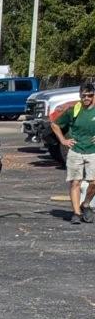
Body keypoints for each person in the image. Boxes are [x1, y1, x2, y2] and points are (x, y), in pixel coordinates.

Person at [51, 81, 95, 223]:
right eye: (84, 96)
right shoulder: (73, 110)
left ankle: (86, 204)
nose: (86, 98)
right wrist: (63, 140)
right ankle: (76, 213)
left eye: (89, 95)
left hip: (92, 151)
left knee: (93, 182)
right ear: (80, 96)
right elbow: (54, 124)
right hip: (75, 151)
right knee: (75, 182)